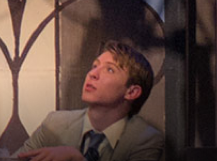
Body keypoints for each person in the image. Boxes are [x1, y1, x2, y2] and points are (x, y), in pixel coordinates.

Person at [17, 41, 162, 161]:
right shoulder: (55, 124)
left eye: (110, 70)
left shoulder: (144, 139)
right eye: (94, 66)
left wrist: (77, 160)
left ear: (131, 92)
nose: (92, 74)